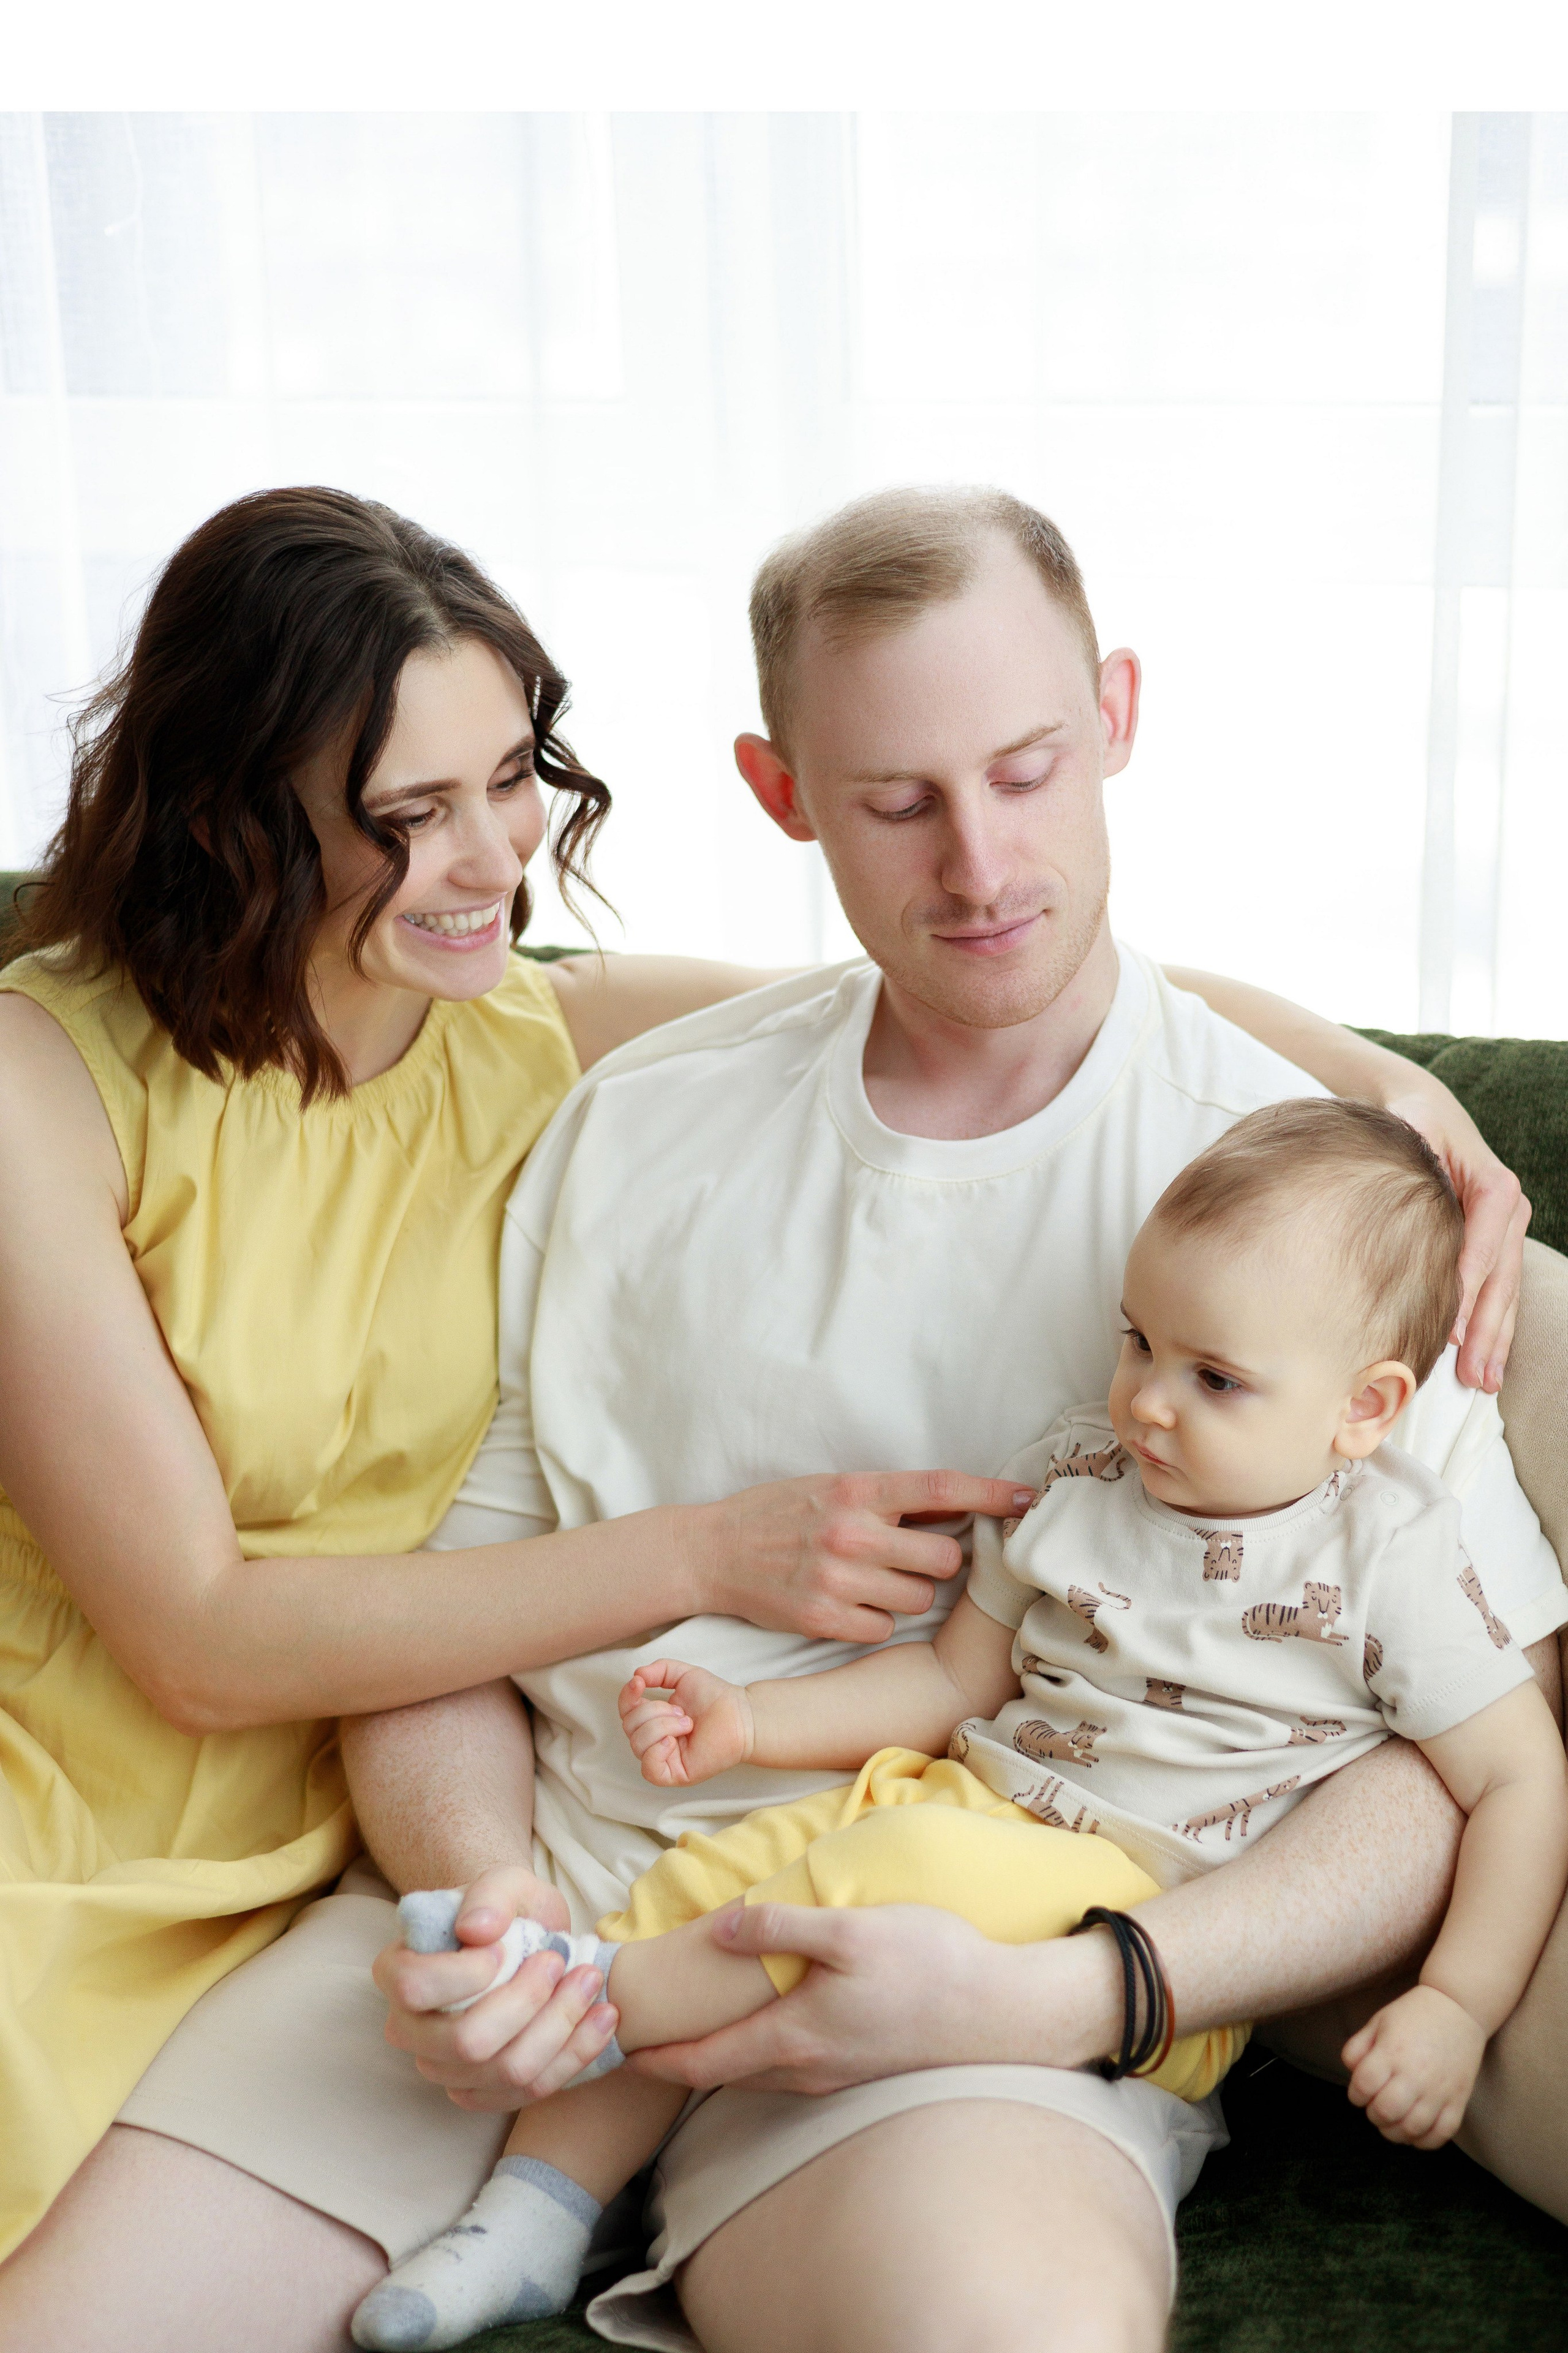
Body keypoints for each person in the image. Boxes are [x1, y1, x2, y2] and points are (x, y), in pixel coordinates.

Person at [0, 485, 1547, 2353]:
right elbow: (441, 1613)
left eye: (1031, 769)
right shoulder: (630, 1102)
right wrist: (497, 1910)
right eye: (896, 800)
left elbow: (1457, 1741)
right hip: (539, 1923)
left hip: (971, 1987)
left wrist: (1078, 1997)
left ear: (1117, 719)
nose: (981, 865)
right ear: (779, 788)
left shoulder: (1329, 1217)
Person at [0, 485, 1044, 2307]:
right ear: (229, 817)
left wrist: (1404, 1103)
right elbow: (195, 1639)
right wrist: (705, 1556)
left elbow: (968, 976)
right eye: (409, 815)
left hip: (343, 1838)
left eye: (514, 776)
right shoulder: (38, 1084)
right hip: (64, 1806)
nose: (495, 859)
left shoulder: (526, 1036)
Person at [349, 1098, 1568, 2352]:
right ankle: (532, 2212)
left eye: (1212, 1379)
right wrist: (750, 1720)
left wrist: (1458, 2006)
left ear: (1363, 1409)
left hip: (1138, 1908)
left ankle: (570, 1997)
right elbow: (947, 1689)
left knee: (878, 1875)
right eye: (1135, 1341)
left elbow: (1520, 1781)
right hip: (952, 1810)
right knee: (707, 1880)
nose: (1146, 1401)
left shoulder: (1388, 1560)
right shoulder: (1079, 1477)